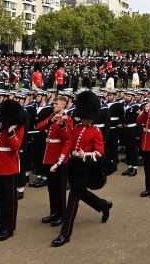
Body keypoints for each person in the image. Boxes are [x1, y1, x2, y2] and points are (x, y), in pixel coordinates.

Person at [50, 90, 112, 247]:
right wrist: (59, 162)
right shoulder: (77, 128)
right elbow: (68, 145)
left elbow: (100, 152)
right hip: (74, 167)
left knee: (73, 199)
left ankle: (65, 234)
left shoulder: (96, 132)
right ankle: (103, 205)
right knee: (82, 194)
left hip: (86, 168)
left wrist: (87, 155)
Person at [0, 99, 24, 241]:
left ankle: (9, 228)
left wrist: (11, 132)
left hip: (9, 167)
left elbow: (15, 147)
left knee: (10, 200)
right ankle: (0, 226)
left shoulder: (18, 127)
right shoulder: (1, 126)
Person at [37, 94, 73, 226]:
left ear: (63, 105)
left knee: (60, 188)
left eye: (56, 104)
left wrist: (62, 123)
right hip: (49, 155)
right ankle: (54, 212)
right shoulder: (51, 117)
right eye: (54, 104)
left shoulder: (68, 119)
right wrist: (51, 121)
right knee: (51, 188)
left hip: (58, 156)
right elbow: (39, 127)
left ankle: (62, 214)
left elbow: (66, 138)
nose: (54, 105)